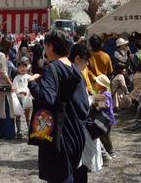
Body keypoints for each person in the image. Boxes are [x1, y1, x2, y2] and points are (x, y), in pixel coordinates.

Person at [28, 30, 89, 183]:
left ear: (50, 46)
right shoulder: (75, 69)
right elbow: (84, 106)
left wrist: (32, 83)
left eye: (45, 45)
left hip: (58, 136)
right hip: (77, 135)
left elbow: (47, 98)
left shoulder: (52, 68)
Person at [68, 42, 103, 176]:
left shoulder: (72, 71)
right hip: (78, 127)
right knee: (80, 167)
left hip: (76, 127)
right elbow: (80, 103)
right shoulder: (74, 73)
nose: (87, 64)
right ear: (77, 58)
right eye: (86, 60)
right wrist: (93, 99)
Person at [93, 74, 116, 163]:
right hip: (104, 118)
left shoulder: (105, 94)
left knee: (105, 135)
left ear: (100, 85)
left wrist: (96, 104)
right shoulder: (102, 93)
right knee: (103, 135)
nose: (95, 84)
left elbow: (106, 105)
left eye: (96, 82)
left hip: (107, 119)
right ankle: (107, 150)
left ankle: (111, 151)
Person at [12, 57, 33, 138]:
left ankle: (29, 130)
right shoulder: (16, 78)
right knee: (18, 114)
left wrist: (28, 92)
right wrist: (20, 92)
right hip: (19, 98)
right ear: (17, 69)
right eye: (20, 67)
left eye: (24, 67)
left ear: (26, 67)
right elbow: (14, 88)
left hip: (28, 98)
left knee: (28, 114)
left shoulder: (29, 77)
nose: (22, 69)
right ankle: (19, 130)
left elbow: (32, 87)